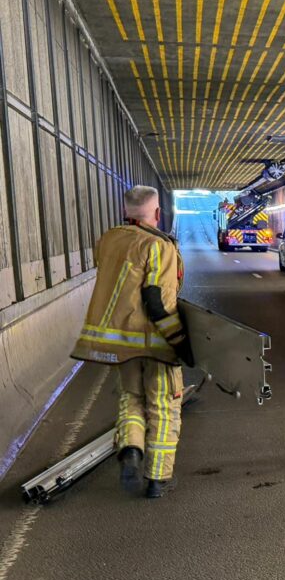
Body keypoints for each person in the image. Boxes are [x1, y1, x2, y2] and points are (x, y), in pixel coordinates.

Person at [71, 185, 193, 499]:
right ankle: (157, 479)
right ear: (157, 213)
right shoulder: (159, 246)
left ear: (126, 211)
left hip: (122, 345)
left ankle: (131, 449)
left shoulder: (109, 240)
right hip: (155, 343)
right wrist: (180, 343)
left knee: (131, 400)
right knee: (164, 408)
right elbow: (157, 301)